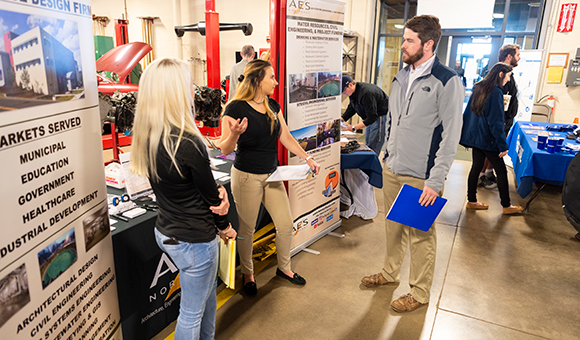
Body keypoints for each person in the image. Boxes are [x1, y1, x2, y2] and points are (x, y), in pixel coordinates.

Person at [361, 15, 464, 313]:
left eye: (409, 40)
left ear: (428, 44)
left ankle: (418, 293)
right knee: (393, 226)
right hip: (394, 168)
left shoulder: (447, 81)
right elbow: (392, 119)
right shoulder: (401, 76)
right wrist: (387, 155)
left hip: (422, 176)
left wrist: (435, 181)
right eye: (403, 39)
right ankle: (390, 273)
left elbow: (450, 135)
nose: (403, 45)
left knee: (420, 235)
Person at [130, 58, 237, 340]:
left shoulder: (148, 136)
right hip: (195, 239)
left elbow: (189, 187)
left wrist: (216, 198)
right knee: (190, 314)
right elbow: (212, 198)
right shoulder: (187, 141)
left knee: (205, 300)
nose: (194, 89)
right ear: (176, 91)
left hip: (168, 230)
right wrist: (225, 224)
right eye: (189, 84)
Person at [220, 59, 321, 296]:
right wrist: (234, 135)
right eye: (271, 77)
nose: (276, 82)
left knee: (285, 225)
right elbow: (225, 149)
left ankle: (284, 269)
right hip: (246, 176)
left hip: (272, 175)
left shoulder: (273, 106)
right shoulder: (234, 108)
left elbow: (285, 137)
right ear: (257, 80)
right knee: (247, 228)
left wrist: (307, 158)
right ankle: (248, 274)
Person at [460, 63, 524, 215]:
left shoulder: (479, 87)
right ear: (501, 74)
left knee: (476, 167)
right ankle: (507, 206)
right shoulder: (495, 92)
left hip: (476, 136)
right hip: (488, 139)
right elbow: (495, 122)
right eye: (508, 76)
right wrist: (502, 145)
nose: (508, 80)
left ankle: (472, 201)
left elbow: (469, 113)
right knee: (501, 171)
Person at [478, 44, 521, 189]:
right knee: (490, 148)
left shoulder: (509, 74)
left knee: (497, 150)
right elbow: (496, 103)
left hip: (505, 120)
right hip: (498, 121)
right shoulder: (497, 76)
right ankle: (481, 176)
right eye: (517, 55)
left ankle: (489, 173)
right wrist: (499, 121)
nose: (519, 58)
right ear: (509, 56)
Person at [341, 75, 389, 155]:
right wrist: (342, 119)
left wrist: (353, 128)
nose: (344, 93)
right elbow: (352, 107)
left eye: (344, 90)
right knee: (368, 143)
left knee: (374, 144)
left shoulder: (366, 93)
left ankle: (372, 165)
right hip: (371, 117)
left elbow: (372, 117)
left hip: (380, 116)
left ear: (350, 85)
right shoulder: (353, 92)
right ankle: (367, 164)